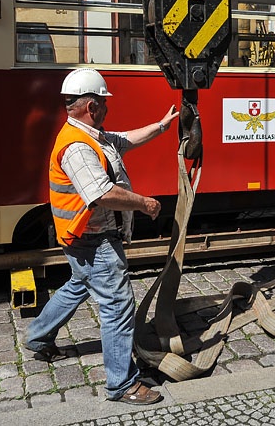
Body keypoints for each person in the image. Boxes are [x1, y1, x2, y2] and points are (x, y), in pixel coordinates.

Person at [23, 68, 179, 405]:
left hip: (79, 239)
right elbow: (100, 194)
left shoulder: (92, 134)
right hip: (93, 240)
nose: (108, 108)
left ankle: (37, 336)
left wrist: (160, 126)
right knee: (118, 306)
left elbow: (124, 140)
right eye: (104, 103)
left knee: (78, 285)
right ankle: (122, 384)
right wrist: (144, 203)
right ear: (92, 106)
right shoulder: (78, 147)